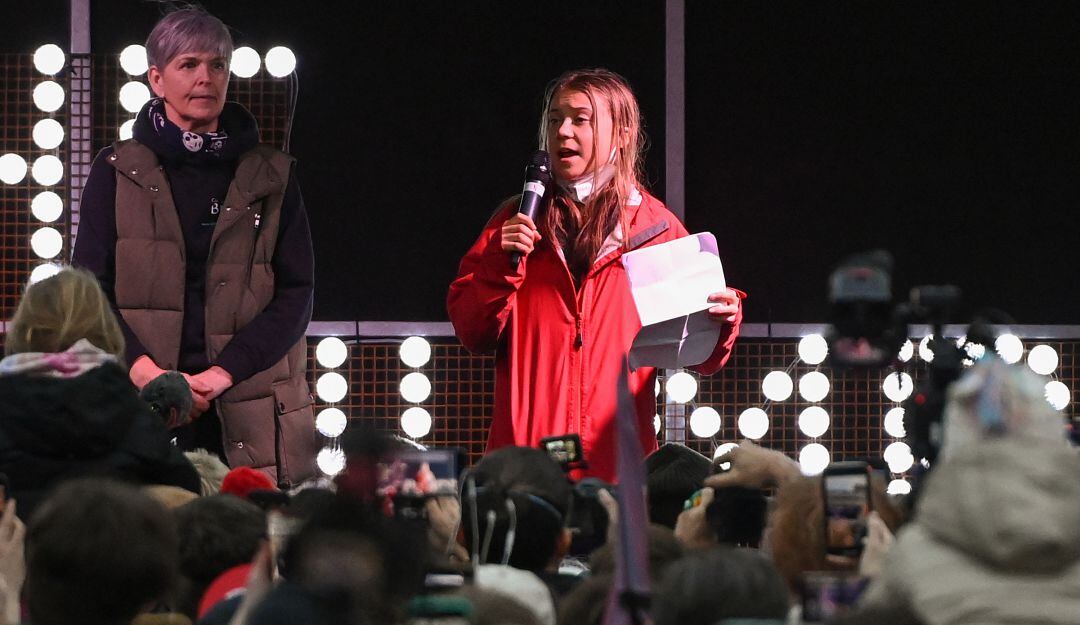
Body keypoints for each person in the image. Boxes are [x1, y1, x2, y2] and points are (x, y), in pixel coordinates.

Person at [447, 69, 744, 481]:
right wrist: (500, 262)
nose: (563, 132)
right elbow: (472, 332)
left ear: (622, 133)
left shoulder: (655, 229)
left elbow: (705, 358)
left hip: (618, 467)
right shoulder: (514, 223)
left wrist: (723, 321)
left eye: (580, 119)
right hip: (525, 468)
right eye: (554, 120)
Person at [72, 7, 317, 486]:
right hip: (143, 401)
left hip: (249, 406)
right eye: (189, 65)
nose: (206, 78)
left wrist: (221, 374)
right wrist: (146, 374)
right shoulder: (115, 169)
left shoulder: (273, 174)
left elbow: (297, 294)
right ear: (157, 79)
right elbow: (89, 293)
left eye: (217, 65)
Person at [0, 268, 200, 520]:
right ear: (104, 328)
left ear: (24, 327)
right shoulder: (130, 412)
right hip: (116, 555)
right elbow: (187, 491)